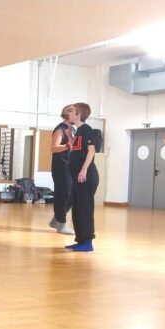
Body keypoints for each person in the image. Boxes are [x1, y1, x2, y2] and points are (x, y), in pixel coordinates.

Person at [66, 102, 99, 252]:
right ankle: (80, 240)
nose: (69, 114)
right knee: (77, 208)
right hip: (77, 176)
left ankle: (88, 242)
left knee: (85, 208)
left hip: (86, 176)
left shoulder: (86, 130)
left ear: (78, 114)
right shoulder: (78, 131)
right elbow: (78, 150)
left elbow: (91, 151)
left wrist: (84, 170)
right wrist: (70, 138)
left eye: (72, 112)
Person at [49, 105, 77, 236]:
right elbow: (54, 148)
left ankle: (56, 219)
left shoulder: (72, 129)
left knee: (72, 195)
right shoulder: (60, 129)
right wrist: (67, 145)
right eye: (74, 113)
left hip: (69, 166)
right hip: (60, 167)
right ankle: (61, 225)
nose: (76, 116)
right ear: (67, 114)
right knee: (63, 195)